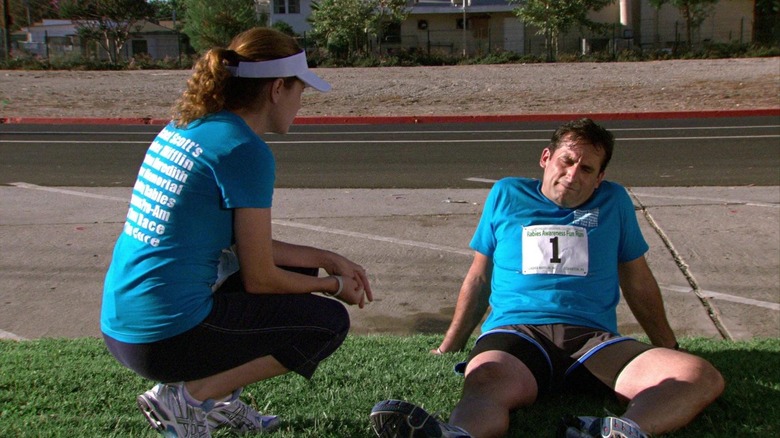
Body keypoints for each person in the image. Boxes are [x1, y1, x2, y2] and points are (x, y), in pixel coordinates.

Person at [370, 118, 724, 438]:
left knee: (699, 376)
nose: (573, 175)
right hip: (517, 335)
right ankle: (455, 434)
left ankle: (621, 432)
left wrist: (668, 346)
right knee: (485, 384)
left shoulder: (614, 201)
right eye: (566, 161)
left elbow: (638, 280)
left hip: (593, 341)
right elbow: (479, 277)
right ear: (546, 158)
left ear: (600, 177)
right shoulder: (507, 194)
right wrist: (450, 344)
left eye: (587, 168)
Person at [101, 27, 372, 438]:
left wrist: (326, 259)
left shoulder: (187, 126)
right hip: (164, 338)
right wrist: (335, 286)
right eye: (301, 91)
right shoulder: (245, 151)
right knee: (327, 322)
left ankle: (218, 402)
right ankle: (190, 398)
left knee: (301, 279)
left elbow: (243, 248)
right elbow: (261, 278)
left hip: (124, 327)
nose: (301, 103)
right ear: (278, 88)